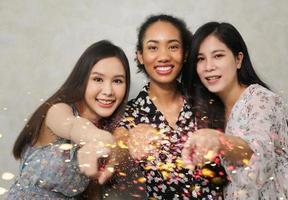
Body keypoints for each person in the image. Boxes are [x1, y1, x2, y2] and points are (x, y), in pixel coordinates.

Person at [181, 21, 288, 199]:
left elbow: (260, 153)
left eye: (218, 56)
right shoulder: (209, 111)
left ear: (238, 59)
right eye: (201, 59)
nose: (209, 66)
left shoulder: (260, 99)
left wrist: (220, 141)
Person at [116, 14, 227, 200]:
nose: (164, 56)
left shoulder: (208, 99)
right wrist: (125, 142)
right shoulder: (130, 114)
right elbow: (115, 150)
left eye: (173, 47)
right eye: (153, 48)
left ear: (184, 54)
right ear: (140, 56)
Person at [6, 40, 130, 199]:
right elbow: (73, 126)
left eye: (117, 81)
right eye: (98, 79)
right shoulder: (57, 111)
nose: (108, 91)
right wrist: (99, 139)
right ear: (82, 79)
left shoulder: (108, 130)